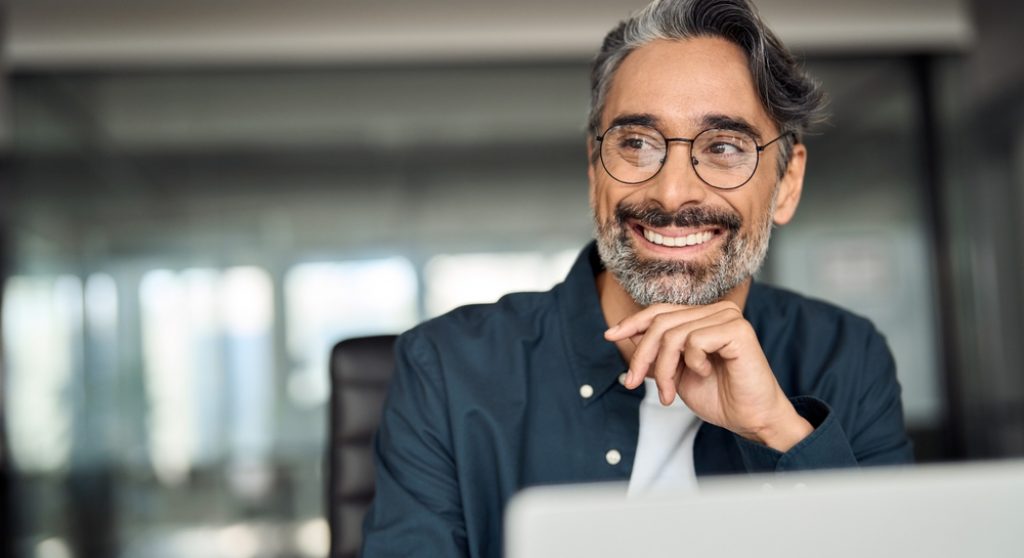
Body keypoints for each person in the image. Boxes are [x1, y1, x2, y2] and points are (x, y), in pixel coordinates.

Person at [361, 0, 914, 555]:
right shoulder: (446, 369)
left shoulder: (848, 357)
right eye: (636, 144)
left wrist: (781, 433)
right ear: (593, 167)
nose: (672, 194)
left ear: (786, 184)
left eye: (723, 147)